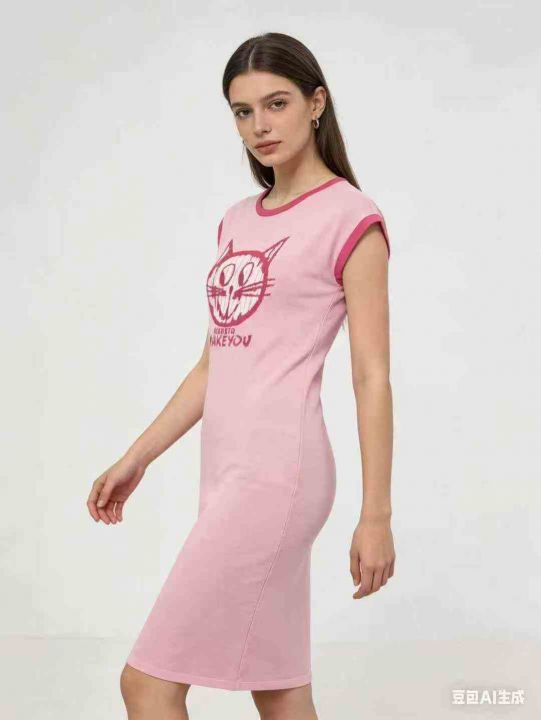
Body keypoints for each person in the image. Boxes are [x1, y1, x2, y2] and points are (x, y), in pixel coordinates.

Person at [87, 31, 395, 720]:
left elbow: (371, 377)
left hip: (277, 474)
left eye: (276, 103)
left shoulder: (351, 218)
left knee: (146, 683)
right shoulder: (235, 222)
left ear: (316, 103)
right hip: (225, 470)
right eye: (242, 111)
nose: (260, 125)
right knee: (280, 691)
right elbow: (213, 364)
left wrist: (375, 514)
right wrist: (136, 457)